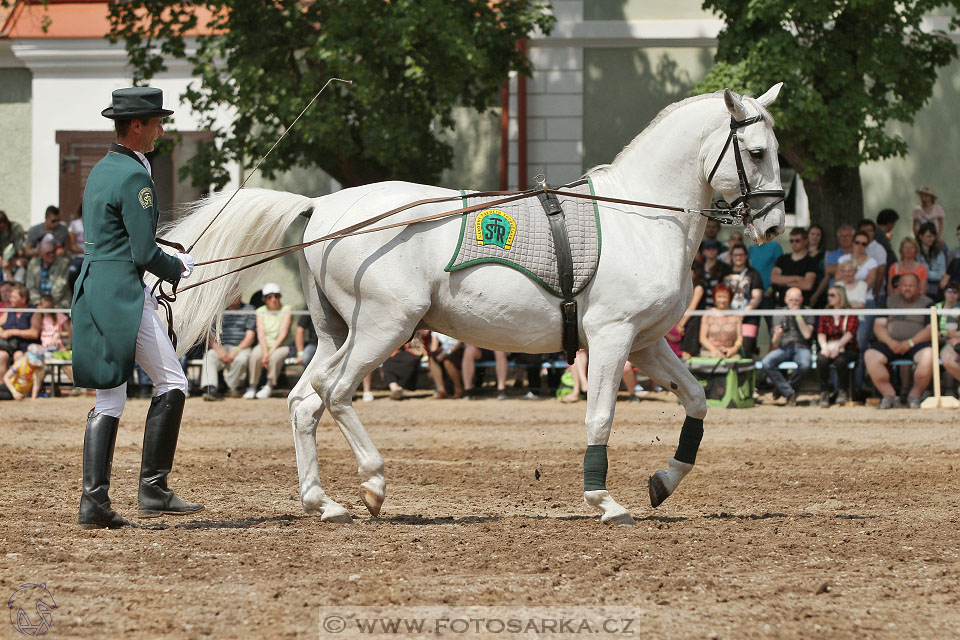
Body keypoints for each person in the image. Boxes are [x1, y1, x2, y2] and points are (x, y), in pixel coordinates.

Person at [71, 87, 201, 529]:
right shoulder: (134, 176)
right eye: (158, 122)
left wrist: (163, 258)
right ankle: (153, 488)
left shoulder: (102, 169)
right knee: (172, 381)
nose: (162, 130)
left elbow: (119, 239)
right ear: (137, 125)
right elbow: (144, 251)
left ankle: (96, 503)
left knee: (110, 395)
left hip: (98, 289)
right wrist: (178, 267)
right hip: (125, 294)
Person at [864, 273, 933, 409]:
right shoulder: (888, 301)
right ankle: (889, 396)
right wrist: (891, 343)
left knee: (929, 355)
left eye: (911, 285)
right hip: (891, 343)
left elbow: (930, 329)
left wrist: (909, 343)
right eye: (904, 285)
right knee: (870, 355)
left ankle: (914, 396)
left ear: (918, 287)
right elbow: (878, 326)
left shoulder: (928, 303)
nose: (907, 288)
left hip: (916, 344)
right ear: (899, 287)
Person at [761, 287, 814, 406]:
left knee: (805, 365)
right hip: (784, 348)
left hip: (802, 347)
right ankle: (789, 392)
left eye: (796, 300)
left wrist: (798, 315)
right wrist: (777, 334)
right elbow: (774, 343)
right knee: (766, 362)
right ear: (785, 300)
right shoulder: (778, 313)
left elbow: (807, 334)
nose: (794, 303)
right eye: (791, 300)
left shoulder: (807, 311)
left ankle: (783, 388)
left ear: (801, 300)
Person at [201, 296, 256, 400]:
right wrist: (218, 350)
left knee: (241, 359)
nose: (233, 295)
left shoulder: (250, 309)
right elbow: (210, 333)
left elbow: (250, 337)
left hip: (241, 348)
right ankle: (210, 389)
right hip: (222, 347)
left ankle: (232, 388)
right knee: (210, 356)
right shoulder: (218, 309)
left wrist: (236, 351)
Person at [245, 282, 292, 399]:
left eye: (276, 296)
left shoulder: (287, 309)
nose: (274, 299)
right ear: (265, 299)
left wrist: (269, 354)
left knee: (275, 358)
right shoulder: (260, 311)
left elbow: (283, 333)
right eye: (270, 297)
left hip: (281, 345)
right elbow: (260, 333)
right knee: (255, 356)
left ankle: (269, 385)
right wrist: (265, 352)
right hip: (264, 345)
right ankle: (252, 386)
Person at [816, 286, 859, 407]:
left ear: (841, 296)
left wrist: (838, 346)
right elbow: (821, 332)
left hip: (848, 347)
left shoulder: (850, 312)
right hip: (829, 346)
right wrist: (824, 347)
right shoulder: (825, 313)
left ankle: (843, 390)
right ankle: (824, 391)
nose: (829, 298)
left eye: (832, 295)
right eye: (828, 295)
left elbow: (850, 333)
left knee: (840, 361)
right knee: (821, 359)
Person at [723, 244, 763, 357]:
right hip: (728, 317)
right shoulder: (725, 272)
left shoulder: (754, 274)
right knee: (728, 348)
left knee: (746, 349)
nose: (738, 257)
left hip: (748, 318)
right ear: (731, 256)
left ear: (746, 256)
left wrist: (744, 312)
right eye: (735, 255)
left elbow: (757, 297)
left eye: (741, 255)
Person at [0, 283, 41, 382]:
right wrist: (2, 332)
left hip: (26, 347)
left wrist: (13, 332)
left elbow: (34, 333)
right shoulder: (9, 311)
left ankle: (19, 387)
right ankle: (2, 386)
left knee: (18, 355)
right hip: (8, 346)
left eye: (14, 297)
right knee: (1, 355)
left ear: (23, 298)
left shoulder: (34, 311)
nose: (10, 299)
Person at [770, 227, 817, 307]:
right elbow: (774, 278)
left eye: (797, 240)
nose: (794, 243)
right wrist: (797, 278)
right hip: (782, 305)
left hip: (803, 306)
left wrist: (784, 283)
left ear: (805, 241)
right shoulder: (782, 259)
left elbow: (807, 285)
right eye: (791, 241)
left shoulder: (811, 261)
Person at [26, 236, 71, 309]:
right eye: (48, 253)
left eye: (53, 252)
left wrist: (48, 303)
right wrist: (38, 302)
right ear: (40, 254)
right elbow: (31, 286)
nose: (52, 255)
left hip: (58, 303)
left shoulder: (63, 264)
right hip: (38, 304)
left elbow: (60, 287)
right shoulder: (33, 264)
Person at [699, 283, 742, 358]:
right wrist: (713, 350)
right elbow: (702, 338)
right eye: (719, 297)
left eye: (725, 297)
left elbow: (740, 338)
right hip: (710, 352)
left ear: (730, 298)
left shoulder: (736, 316)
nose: (722, 300)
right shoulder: (708, 315)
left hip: (730, 353)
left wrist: (734, 349)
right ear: (714, 298)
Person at [380, 333, 427, 400]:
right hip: (399, 352)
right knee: (387, 362)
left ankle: (399, 389)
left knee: (410, 362)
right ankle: (394, 388)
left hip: (414, 352)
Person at [936, 281, 960, 394]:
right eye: (949, 291)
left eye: (955, 292)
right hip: (955, 342)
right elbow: (951, 332)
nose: (952, 294)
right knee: (947, 357)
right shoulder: (956, 308)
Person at [678, 260, 706, 357]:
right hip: (687, 320)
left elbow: (692, 307)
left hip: (694, 322)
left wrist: (681, 323)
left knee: (688, 353)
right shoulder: (686, 287)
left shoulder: (699, 287)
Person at [426, 332, 464, 399]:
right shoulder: (435, 328)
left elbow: (461, 342)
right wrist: (432, 356)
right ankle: (441, 391)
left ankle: (458, 388)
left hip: (458, 349)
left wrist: (447, 353)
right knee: (432, 359)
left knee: (447, 361)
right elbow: (434, 346)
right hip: (444, 350)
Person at [917, 221, 947, 302]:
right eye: (929, 236)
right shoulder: (916, 253)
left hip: (937, 290)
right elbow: (921, 273)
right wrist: (935, 274)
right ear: (921, 236)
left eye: (934, 236)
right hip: (921, 289)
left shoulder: (939, 253)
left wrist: (928, 273)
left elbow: (943, 273)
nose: (932, 239)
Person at [700, 240, 731, 309]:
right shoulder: (699, 269)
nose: (711, 251)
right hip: (701, 309)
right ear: (703, 252)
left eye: (713, 248)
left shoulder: (725, 268)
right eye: (708, 248)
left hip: (720, 308)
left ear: (718, 250)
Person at [807, 223, 829, 307]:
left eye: (818, 235)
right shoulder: (801, 252)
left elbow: (826, 277)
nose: (815, 237)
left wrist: (816, 295)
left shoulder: (825, 254)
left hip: (820, 292)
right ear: (808, 235)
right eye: (812, 234)